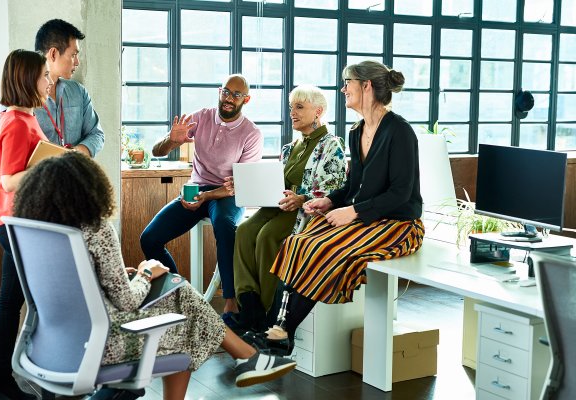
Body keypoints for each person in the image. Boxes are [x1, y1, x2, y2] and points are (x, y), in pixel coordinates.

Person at [12, 152, 296, 400]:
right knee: (185, 327)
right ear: (89, 189)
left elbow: (70, 281)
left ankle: (246, 357)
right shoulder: (97, 230)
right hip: (103, 341)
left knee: (176, 287)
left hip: (50, 341)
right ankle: (247, 357)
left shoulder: (38, 231)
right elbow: (125, 300)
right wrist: (145, 274)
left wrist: (116, 274)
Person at [248, 60, 425, 355]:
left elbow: (400, 193)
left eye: (347, 82)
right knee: (297, 242)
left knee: (323, 248)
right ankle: (274, 328)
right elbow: (354, 186)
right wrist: (330, 201)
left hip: (398, 224)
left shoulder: (400, 131)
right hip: (366, 218)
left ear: (366, 86)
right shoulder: (357, 132)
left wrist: (352, 212)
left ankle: (281, 333)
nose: (343, 89)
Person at [140, 74, 262, 318]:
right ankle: (179, 295)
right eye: (225, 92)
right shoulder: (201, 117)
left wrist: (208, 197)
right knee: (149, 238)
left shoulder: (251, 133)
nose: (229, 98)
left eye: (236, 95)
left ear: (245, 100)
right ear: (219, 92)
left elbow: (240, 185)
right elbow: (157, 151)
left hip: (227, 194)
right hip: (196, 188)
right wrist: (172, 141)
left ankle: (230, 302)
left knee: (226, 227)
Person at [230, 85, 347, 333]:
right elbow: (276, 182)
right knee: (243, 231)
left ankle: (266, 311)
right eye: (291, 106)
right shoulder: (290, 147)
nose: (292, 112)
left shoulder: (331, 144)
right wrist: (248, 185)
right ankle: (248, 304)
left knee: (267, 236)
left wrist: (301, 197)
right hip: (278, 205)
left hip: (304, 211)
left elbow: (335, 187)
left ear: (318, 112)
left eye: (299, 107)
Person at [0, 49, 52, 400]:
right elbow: (10, 180)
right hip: (17, 226)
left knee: (12, 301)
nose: (48, 81)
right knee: (28, 302)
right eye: (44, 76)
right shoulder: (16, 121)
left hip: (13, 222)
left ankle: (2, 380)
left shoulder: (15, 117)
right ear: (27, 79)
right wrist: (49, 166)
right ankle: (39, 377)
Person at [34, 19, 104, 156]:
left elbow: (96, 134)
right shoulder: (22, 97)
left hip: (75, 174)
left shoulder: (79, 92)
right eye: (73, 55)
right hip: (40, 176)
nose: (77, 62)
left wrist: (75, 154)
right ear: (53, 54)